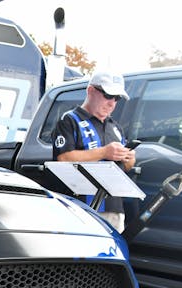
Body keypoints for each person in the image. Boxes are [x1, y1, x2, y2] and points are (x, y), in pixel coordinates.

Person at [52, 70, 136, 233]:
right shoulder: (70, 119)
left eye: (117, 98)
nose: (112, 103)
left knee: (111, 249)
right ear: (90, 90)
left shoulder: (115, 127)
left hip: (113, 206)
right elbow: (63, 158)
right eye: (108, 95)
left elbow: (126, 167)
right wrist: (104, 152)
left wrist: (129, 158)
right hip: (80, 205)